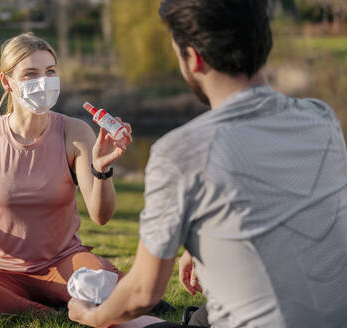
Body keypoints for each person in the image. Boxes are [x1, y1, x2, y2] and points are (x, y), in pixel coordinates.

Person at [68, 0, 347, 327]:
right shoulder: (320, 118)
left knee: (121, 321)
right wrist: (199, 242)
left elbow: (143, 292)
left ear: (193, 58)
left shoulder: (179, 151)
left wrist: (92, 315)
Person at [0, 32, 135, 315]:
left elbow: (101, 216)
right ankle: (43, 312)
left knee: (106, 284)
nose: (43, 82)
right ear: (6, 81)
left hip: (65, 264)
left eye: (50, 72)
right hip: (4, 272)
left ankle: (60, 301)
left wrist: (103, 168)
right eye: (30, 74)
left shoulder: (75, 132)